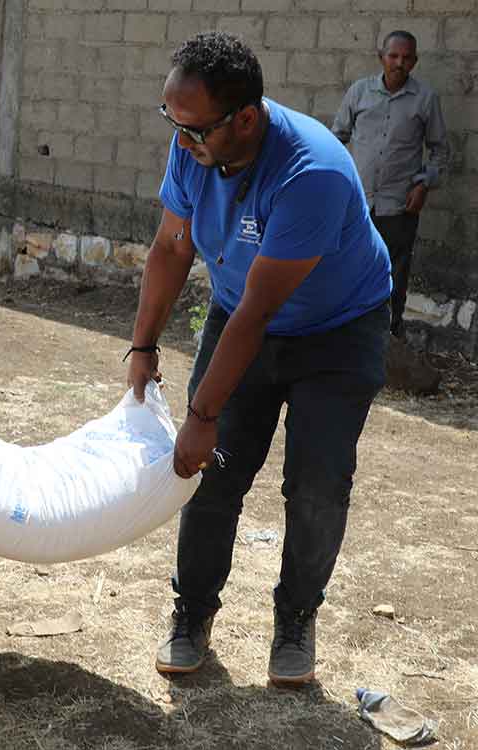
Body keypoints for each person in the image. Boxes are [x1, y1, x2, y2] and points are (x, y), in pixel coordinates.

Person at [127, 32, 391, 686]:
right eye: (173, 125)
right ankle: (192, 613)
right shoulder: (194, 144)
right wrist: (142, 345)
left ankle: (297, 617)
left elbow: (258, 314)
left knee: (317, 486)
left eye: (194, 130)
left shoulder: (313, 173)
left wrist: (202, 411)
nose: (182, 143)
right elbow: (170, 246)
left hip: (338, 332)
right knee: (210, 474)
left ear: (245, 118)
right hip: (242, 313)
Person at [332, 31, 449, 339]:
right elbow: (336, 138)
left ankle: (388, 337)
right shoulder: (359, 92)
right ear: (380, 56)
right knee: (349, 267)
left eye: (407, 57)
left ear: (415, 61)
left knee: (395, 273)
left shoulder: (425, 99)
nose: (399, 63)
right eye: (393, 56)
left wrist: (424, 185)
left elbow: (440, 149)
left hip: (400, 204)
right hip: (357, 202)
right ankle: (346, 336)